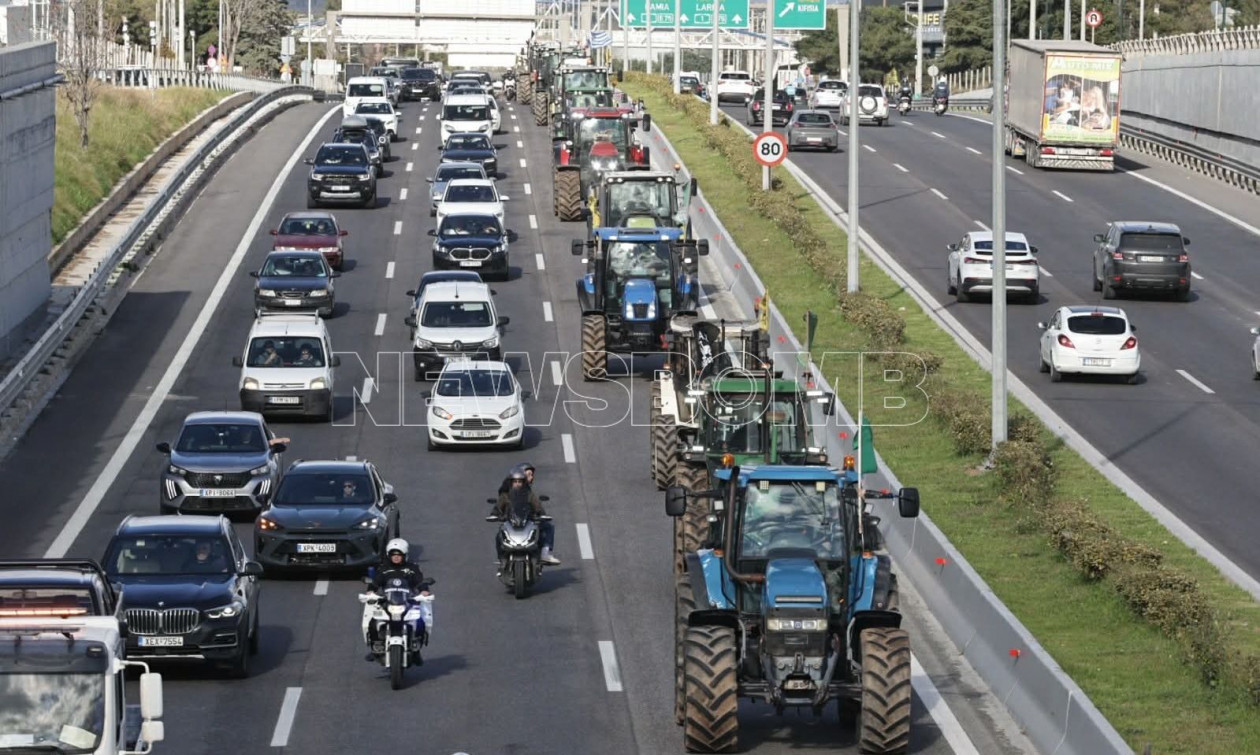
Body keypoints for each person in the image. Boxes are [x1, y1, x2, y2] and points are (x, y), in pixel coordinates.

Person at [364, 538, 431, 663]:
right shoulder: (383, 569)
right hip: (387, 602)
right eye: (393, 555)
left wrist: (424, 591)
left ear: (404, 555)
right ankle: (376, 648)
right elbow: (375, 583)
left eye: (399, 555)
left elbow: (420, 581)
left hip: (408, 602)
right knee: (372, 622)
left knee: (421, 622)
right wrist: (371, 591)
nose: (396, 557)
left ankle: (416, 650)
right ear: (389, 555)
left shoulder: (412, 568)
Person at [494, 468, 560, 564]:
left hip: (526, 523)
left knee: (546, 528)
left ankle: (544, 553)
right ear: (511, 483)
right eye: (515, 482)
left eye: (520, 482)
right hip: (510, 524)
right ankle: (502, 558)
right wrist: (495, 515)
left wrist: (541, 515)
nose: (517, 484)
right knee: (499, 536)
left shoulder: (529, 495)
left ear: (523, 483)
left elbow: (538, 506)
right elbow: (497, 508)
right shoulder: (505, 496)